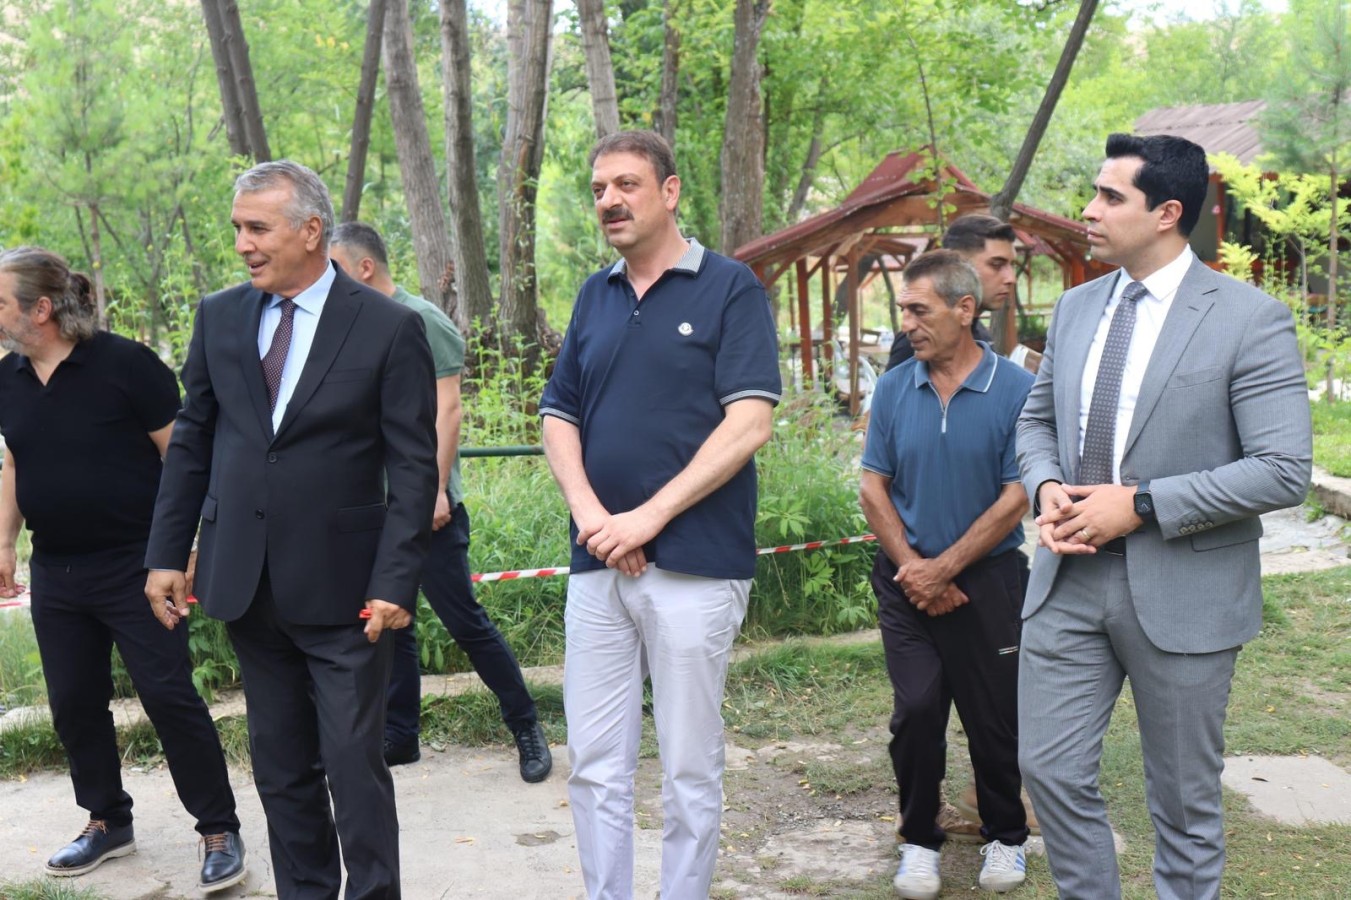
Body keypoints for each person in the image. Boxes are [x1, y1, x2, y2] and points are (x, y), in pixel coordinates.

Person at [1016, 133, 1312, 900]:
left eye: (1109, 196)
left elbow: (1282, 469)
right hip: (1065, 582)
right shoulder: (1075, 308)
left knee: (1182, 803)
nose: (1088, 210)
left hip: (1185, 592)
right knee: (1047, 772)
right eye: (1094, 192)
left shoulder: (1249, 318)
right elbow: (1035, 422)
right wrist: (1045, 486)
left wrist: (1141, 504)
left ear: (1166, 213)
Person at [144, 161, 438, 899]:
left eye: (257, 228)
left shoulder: (388, 326)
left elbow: (412, 469)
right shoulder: (220, 316)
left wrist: (395, 580)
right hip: (247, 584)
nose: (242, 244)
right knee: (280, 768)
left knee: (353, 765)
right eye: (237, 229)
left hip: (349, 596)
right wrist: (167, 553)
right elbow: (193, 442)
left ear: (311, 231)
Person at [539, 130, 780, 900]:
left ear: (669, 192)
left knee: (687, 765)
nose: (608, 200)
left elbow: (748, 422)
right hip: (597, 567)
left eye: (626, 185)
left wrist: (644, 519)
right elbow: (557, 415)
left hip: (695, 566)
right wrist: (596, 520)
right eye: (598, 188)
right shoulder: (594, 294)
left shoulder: (730, 288)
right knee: (594, 764)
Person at [0, 247, 245, 890]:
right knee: (74, 704)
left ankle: (218, 826)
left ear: (40, 309)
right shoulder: (8, 378)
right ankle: (108, 820)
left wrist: (183, 548)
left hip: (138, 566)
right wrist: (5, 544)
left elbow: (183, 457)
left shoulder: (127, 365)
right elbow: (15, 461)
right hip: (56, 570)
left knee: (168, 697)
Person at [329, 222, 552, 781]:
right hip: (372, 509)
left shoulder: (422, 318)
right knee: (391, 624)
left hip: (428, 507)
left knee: (465, 622)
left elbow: (447, 410)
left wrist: (432, 490)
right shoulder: (352, 325)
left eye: (334, 268)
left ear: (363, 267)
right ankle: (400, 736)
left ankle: (526, 726)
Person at [859, 251, 1032, 899]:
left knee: (994, 718)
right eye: (902, 310)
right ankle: (918, 840)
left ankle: (1006, 836)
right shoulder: (893, 388)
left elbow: (1017, 495)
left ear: (964, 310)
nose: (905, 323)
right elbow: (872, 487)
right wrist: (916, 571)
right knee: (915, 711)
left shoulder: (1015, 389)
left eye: (917, 310)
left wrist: (947, 568)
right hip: (906, 583)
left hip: (987, 583)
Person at [886, 215, 1041, 373]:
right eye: (996, 264)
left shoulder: (980, 334)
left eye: (1011, 265)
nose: (1011, 278)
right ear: (959, 265)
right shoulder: (920, 339)